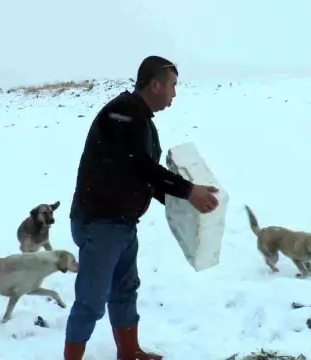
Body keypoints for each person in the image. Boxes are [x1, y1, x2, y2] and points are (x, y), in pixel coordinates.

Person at [63, 56, 220, 360]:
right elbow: (140, 164)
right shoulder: (122, 113)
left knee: (125, 289)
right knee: (91, 301)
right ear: (155, 84)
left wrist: (182, 202)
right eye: (172, 85)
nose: (174, 92)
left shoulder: (139, 118)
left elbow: (140, 174)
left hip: (122, 223)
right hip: (100, 222)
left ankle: (129, 351)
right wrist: (187, 191)